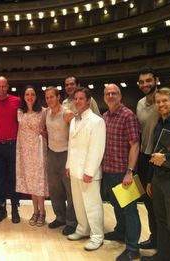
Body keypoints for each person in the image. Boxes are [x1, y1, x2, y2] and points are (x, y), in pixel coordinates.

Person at [136, 67, 170, 250]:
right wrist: (149, 179)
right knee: (156, 213)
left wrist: (167, 157)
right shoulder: (142, 106)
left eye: (149, 80)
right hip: (150, 161)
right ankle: (159, 248)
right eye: (142, 81)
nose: (145, 84)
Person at [102, 84, 141, 261]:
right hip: (109, 171)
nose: (111, 96)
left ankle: (133, 248)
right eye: (108, 93)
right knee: (116, 206)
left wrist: (129, 172)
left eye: (114, 93)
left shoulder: (128, 115)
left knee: (130, 211)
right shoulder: (104, 117)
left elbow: (135, 144)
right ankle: (120, 232)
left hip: (123, 172)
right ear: (104, 97)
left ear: (120, 96)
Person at [65, 88, 106, 251]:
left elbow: (97, 148)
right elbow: (71, 145)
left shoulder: (97, 121)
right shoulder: (74, 120)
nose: (77, 101)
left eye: (81, 99)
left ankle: (97, 235)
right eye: (75, 99)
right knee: (79, 204)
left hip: (89, 172)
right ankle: (83, 229)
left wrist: (89, 171)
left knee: (92, 204)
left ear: (88, 101)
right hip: (75, 169)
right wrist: (68, 165)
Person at [0, 76, 21, 224]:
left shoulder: (17, 101)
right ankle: (2, 209)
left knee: (13, 178)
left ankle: (15, 208)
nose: (1, 89)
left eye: (4, 86)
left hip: (13, 145)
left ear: (8, 87)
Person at [44, 86, 77, 235]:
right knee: (55, 190)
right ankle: (60, 217)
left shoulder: (67, 113)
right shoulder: (46, 113)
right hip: (51, 154)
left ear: (58, 97)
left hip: (66, 154)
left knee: (70, 191)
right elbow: (44, 131)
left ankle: (72, 222)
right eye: (47, 97)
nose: (49, 99)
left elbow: (78, 134)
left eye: (52, 96)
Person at [15, 85, 48, 226]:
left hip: (38, 149)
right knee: (30, 182)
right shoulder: (20, 112)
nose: (30, 97)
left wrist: (45, 135)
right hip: (25, 150)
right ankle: (35, 211)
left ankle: (42, 212)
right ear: (24, 96)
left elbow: (48, 128)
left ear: (36, 96)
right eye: (27, 94)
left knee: (38, 181)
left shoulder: (43, 111)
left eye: (32, 94)